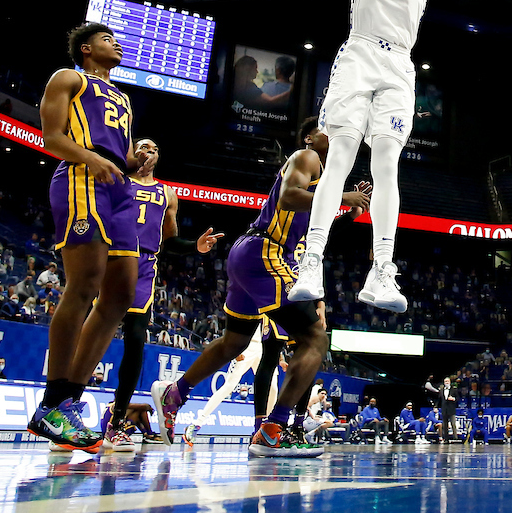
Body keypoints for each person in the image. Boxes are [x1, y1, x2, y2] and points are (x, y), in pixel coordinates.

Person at [291, 0, 462, 313]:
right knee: (339, 158)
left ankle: (382, 273)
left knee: (387, 165)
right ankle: (312, 261)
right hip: (360, 52)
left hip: (400, 64)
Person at [150, 117, 369, 457]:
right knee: (315, 338)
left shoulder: (322, 177)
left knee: (233, 341)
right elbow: (289, 196)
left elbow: (316, 230)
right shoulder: (306, 157)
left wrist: (349, 214)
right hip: (265, 253)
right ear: (311, 136)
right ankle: (273, 429)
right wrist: (343, 195)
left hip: (252, 253)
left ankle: (175, 393)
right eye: (327, 127)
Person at [28, 23, 156, 452]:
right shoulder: (69, 79)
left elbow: (115, 149)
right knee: (83, 286)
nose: (116, 44)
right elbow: (52, 137)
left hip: (119, 186)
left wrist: (131, 161)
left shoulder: (122, 97)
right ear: (86, 49)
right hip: (83, 177)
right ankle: (50, 405)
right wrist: (91, 158)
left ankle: (70, 402)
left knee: (119, 296)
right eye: (107, 40)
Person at [101, 137, 224, 451]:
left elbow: (170, 241)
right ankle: (64, 406)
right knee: (90, 335)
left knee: (135, 344)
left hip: (143, 266)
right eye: (142, 146)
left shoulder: (167, 193)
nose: (148, 151)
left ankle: (115, 423)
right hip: (110, 257)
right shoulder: (117, 179)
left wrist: (194, 247)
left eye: (154, 148)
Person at [183, 316, 288, 446]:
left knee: (273, 388)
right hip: (246, 346)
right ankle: (196, 424)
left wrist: (281, 358)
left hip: (265, 348)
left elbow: (275, 332)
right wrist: (236, 347)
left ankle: (266, 430)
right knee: (229, 386)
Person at [440, 375, 458, 442]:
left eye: (447, 381)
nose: (446, 382)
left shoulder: (454, 389)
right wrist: (435, 406)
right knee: (445, 425)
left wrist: (453, 399)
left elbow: (458, 398)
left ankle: (455, 438)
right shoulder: (441, 390)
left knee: (453, 424)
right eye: (445, 381)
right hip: (444, 409)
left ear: (450, 382)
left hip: (451, 409)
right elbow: (440, 399)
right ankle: (446, 439)